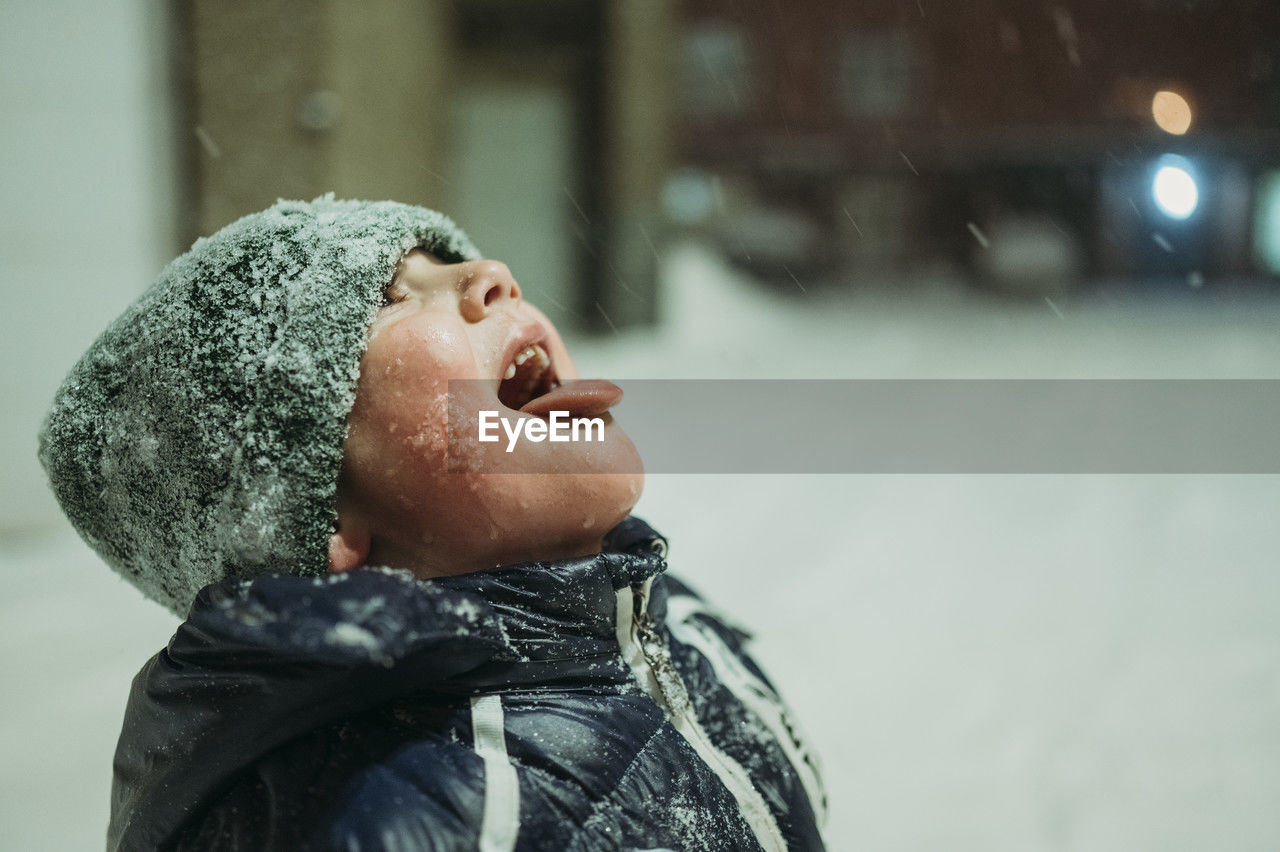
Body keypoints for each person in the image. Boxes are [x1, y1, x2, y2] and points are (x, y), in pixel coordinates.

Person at [39, 196, 827, 851]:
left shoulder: (651, 608)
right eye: (388, 297)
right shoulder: (418, 823)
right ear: (327, 515)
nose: (493, 275)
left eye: (446, 261)